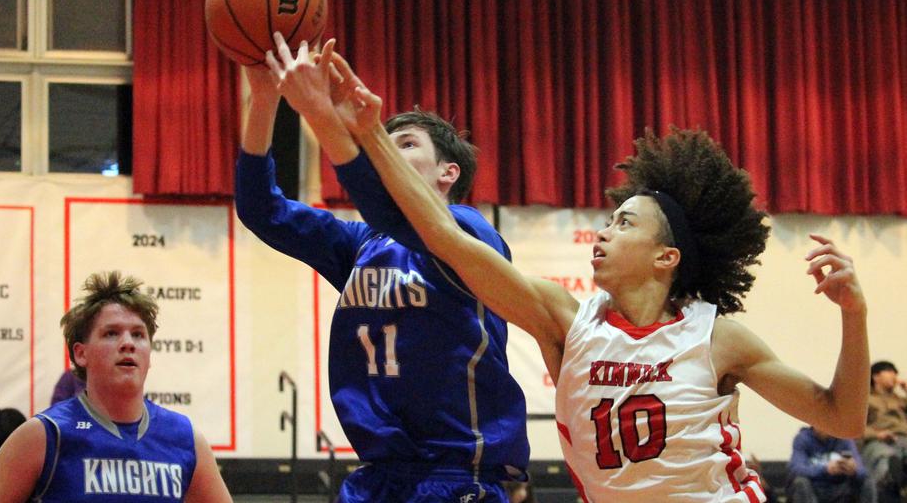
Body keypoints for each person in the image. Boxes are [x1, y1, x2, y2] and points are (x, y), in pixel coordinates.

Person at [268, 40, 871, 502]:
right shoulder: (564, 320)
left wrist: (854, 313)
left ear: (668, 257)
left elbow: (841, 415)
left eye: (626, 223)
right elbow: (441, 236)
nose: (606, 230)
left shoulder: (716, 337)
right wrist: (361, 129)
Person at [234, 34, 529, 502]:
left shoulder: (470, 233)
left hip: (453, 475)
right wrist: (266, 100)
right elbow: (259, 209)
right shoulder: (364, 242)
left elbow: (392, 211)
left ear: (447, 173)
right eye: (381, 147)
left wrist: (322, 114)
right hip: (376, 478)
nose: (386, 157)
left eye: (406, 145)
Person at [0, 272, 231, 503]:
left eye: (138, 334)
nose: (128, 343)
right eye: (111, 333)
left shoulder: (186, 439)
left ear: (149, 353)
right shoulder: (44, 435)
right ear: (81, 353)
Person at [787, 426, 876, 503]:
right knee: (800, 482)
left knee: (867, 480)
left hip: (839, 489)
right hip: (814, 488)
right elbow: (796, 468)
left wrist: (853, 470)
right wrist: (825, 469)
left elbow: (862, 470)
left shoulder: (844, 438)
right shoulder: (802, 439)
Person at [862, 360, 907, 502]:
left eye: (895, 373)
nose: (894, 376)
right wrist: (877, 434)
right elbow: (852, 428)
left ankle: (900, 473)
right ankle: (892, 476)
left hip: (903, 441)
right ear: (876, 376)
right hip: (878, 442)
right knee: (885, 458)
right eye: (890, 371)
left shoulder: (900, 400)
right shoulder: (864, 400)